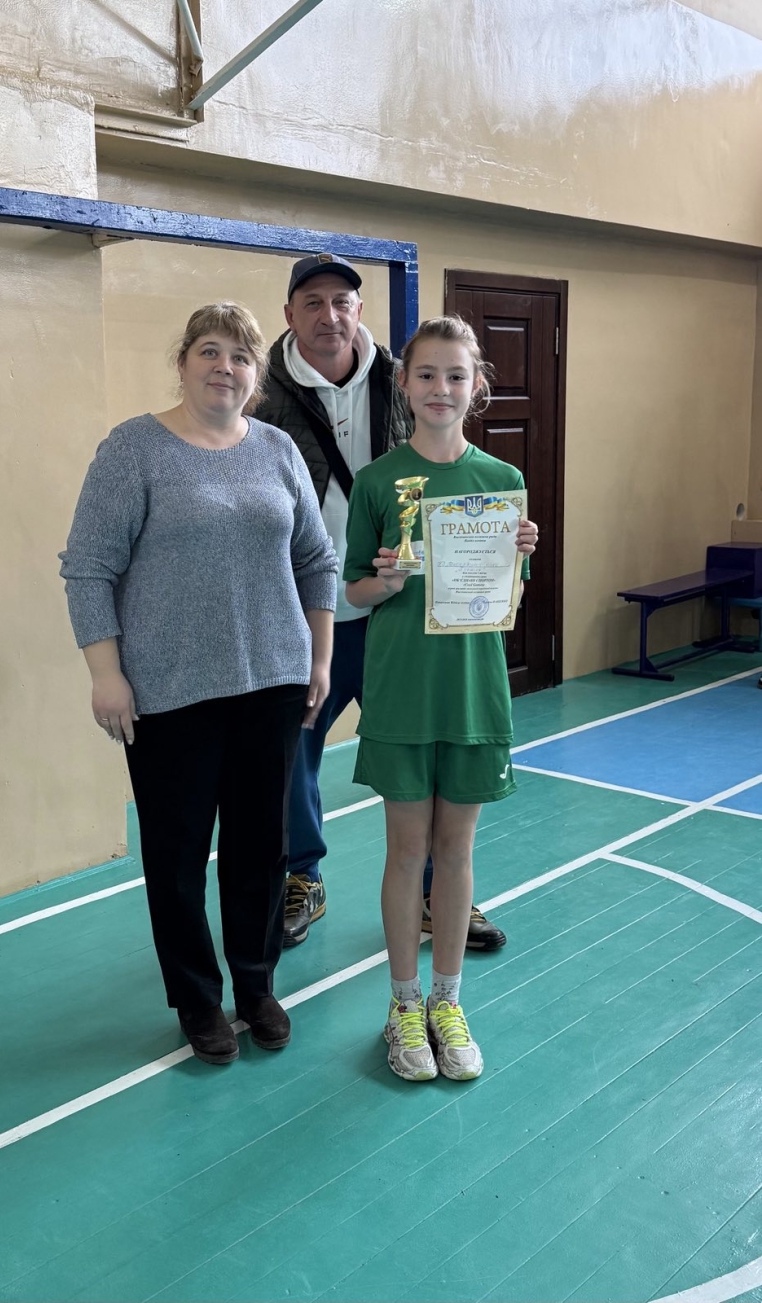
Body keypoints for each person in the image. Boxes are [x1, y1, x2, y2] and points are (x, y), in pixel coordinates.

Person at [59, 302, 337, 1066]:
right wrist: (106, 673)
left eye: (241, 356)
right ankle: (195, 997)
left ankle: (255, 983)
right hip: (170, 693)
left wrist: (318, 661)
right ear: (182, 362)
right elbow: (88, 567)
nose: (225, 367)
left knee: (261, 848)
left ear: (256, 375)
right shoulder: (134, 449)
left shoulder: (277, 449)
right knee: (178, 857)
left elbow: (316, 559)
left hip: (272, 683)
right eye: (209, 351)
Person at [256, 253, 508, 953]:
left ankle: (438, 892)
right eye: (312, 302)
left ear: (359, 311)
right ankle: (302, 876)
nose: (329, 315)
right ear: (289, 315)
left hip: (402, 615)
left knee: (426, 758)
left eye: (342, 301)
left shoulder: (405, 377)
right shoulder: (262, 398)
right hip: (306, 612)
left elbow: (451, 470)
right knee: (294, 750)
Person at [343, 315, 539, 1081]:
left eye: (456, 375)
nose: (441, 388)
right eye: (426, 373)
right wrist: (385, 579)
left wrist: (520, 552)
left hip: (472, 693)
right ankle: (402, 1005)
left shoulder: (502, 481)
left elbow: (507, 593)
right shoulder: (377, 482)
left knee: (456, 851)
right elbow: (355, 589)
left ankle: (447, 1001)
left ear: (476, 386)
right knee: (406, 850)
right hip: (400, 690)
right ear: (403, 383)